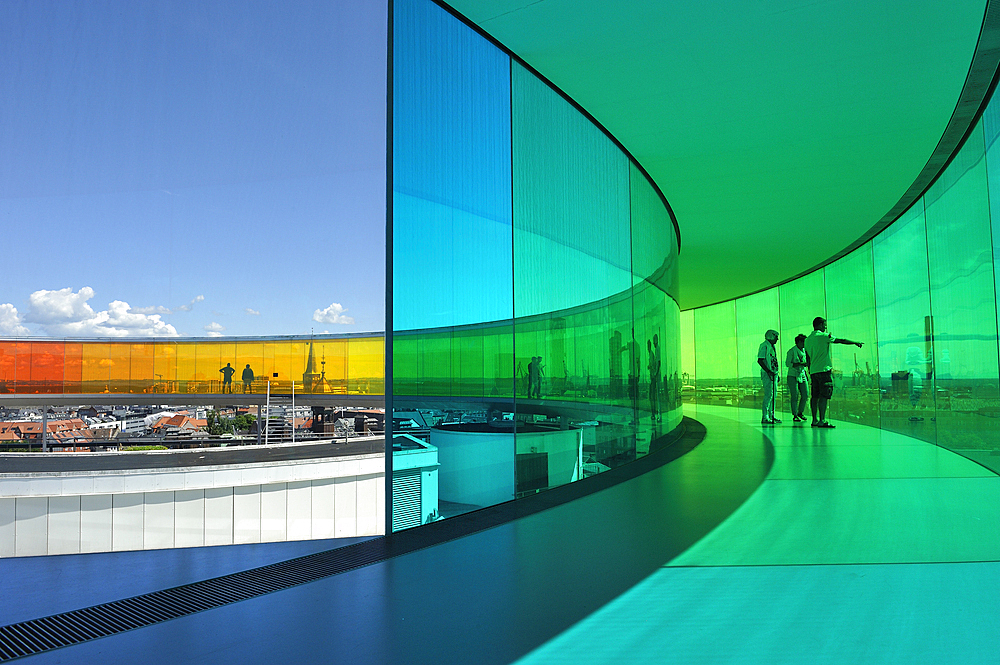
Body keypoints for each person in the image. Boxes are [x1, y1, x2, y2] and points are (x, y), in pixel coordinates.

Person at [804, 317, 863, 428]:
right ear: (820, 324)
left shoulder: (807, 340)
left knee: (814, 396)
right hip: (824, 370)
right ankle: (822, 420)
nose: (825, 327)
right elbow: (841, 340)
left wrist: (810, 370)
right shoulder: (823, 336)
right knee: (824, 395)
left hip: (813, 371)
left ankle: (814, 420)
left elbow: (808, 357)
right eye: (824, 325)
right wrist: (855, 342)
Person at [757, 329, 781, 425]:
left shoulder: (772, 347)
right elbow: (760, 360)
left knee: (773, 395)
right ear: (771, 336)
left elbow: (773, 361)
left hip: (773, 374)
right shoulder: (764, 346)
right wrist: (768, 371)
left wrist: (776, 373)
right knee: (769, 395)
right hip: (768, 374)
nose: (777, 339)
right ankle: (765, 416)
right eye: (776, 336)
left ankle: (771, 415)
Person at [785, 334, 809, 422]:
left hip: (802, 374)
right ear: (799, 342)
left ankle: (800, 412)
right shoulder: (791, 351)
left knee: (805, 394)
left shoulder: (805, 351)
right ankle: (795, 414)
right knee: (794, 395)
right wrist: (800, 364)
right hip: (792, 375)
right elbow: (788, 364)